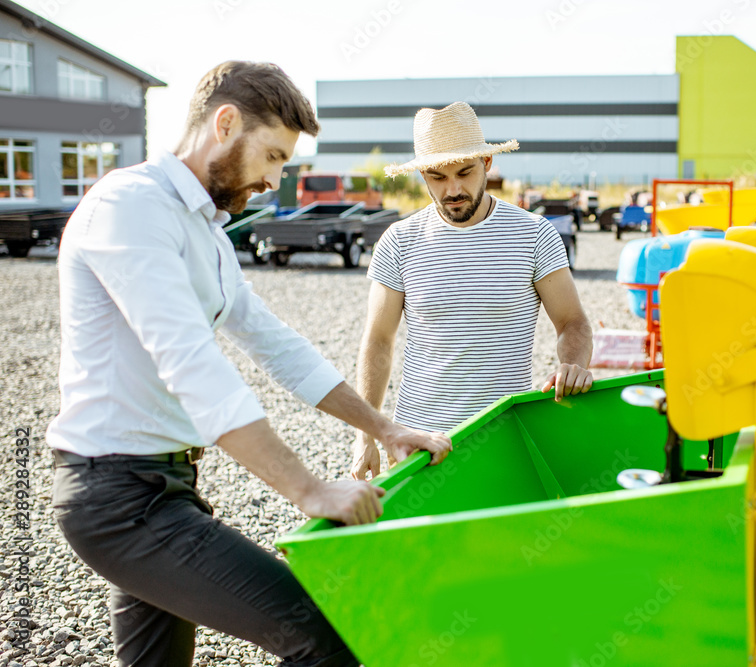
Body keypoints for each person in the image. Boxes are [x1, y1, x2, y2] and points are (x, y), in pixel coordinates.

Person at [46, 61, 451, 667]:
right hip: (117, 499)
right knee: (323, 634)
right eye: (272, 156)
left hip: (166, 488)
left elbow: (276, 344)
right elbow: (191, 363)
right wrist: (308, 491)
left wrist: (383, 426)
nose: (275, 179)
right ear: (226, 122)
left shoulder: (205, 231)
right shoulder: (129, 207)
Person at [351, 101, 593, 480]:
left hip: (503, 437)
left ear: (487, 164)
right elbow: (378, 340)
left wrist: (573, 365)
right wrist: (365, 433)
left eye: (464, 172)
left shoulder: (533, 235)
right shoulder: (399, 241)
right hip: (417, 441)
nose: (453, 189)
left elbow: (572, 322)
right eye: (437, 177)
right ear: (421, 177)